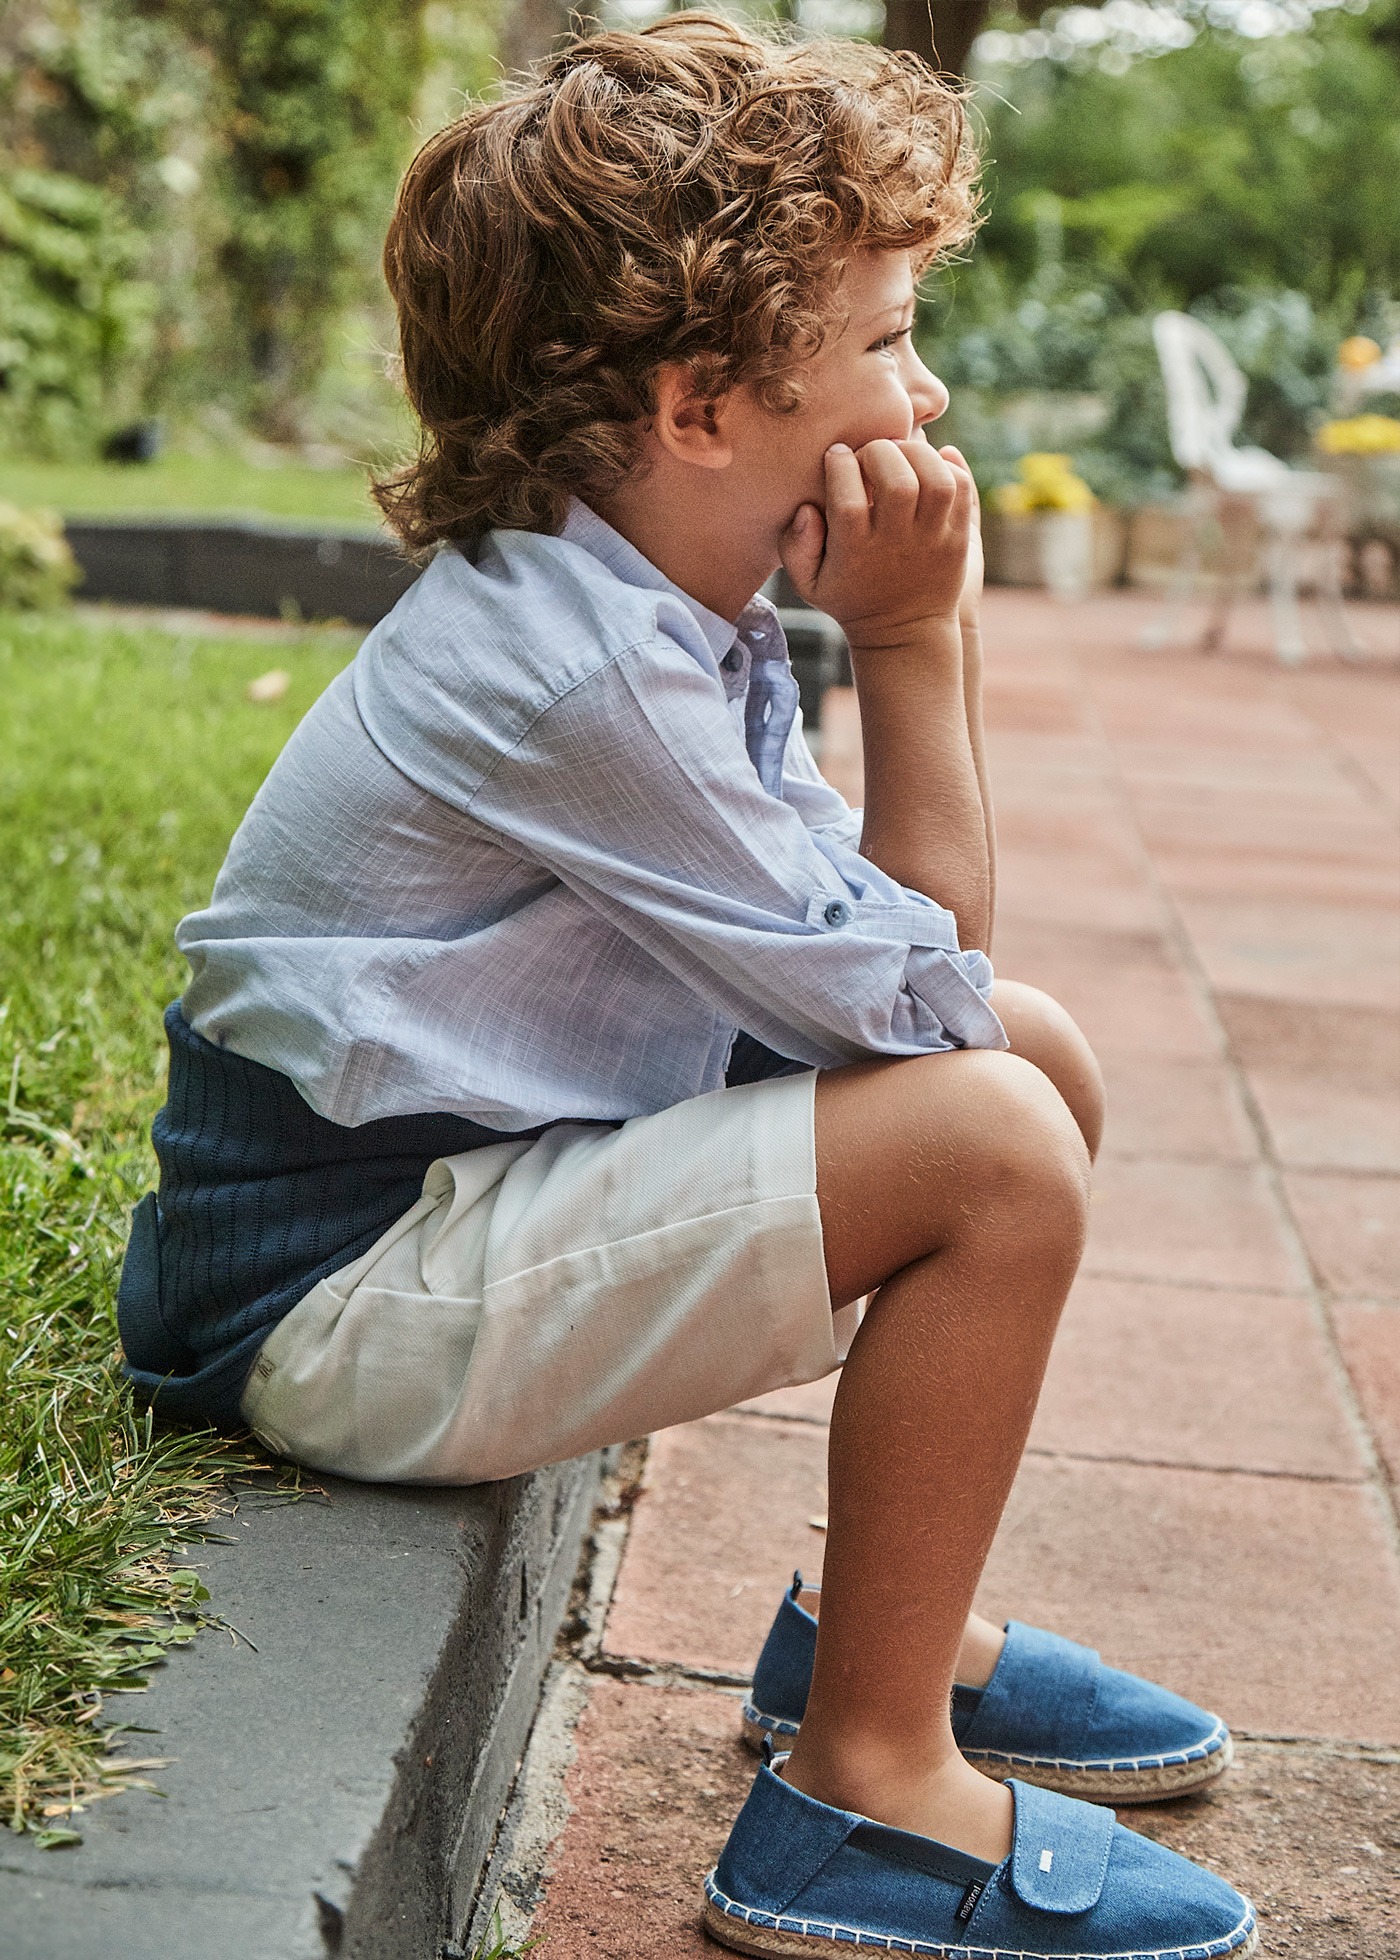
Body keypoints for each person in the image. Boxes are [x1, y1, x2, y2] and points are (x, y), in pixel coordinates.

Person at [117, 18, 1256, 1958]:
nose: (930, 383)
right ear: (700, 404)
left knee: (1030, 1059)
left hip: (439, 1199)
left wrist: (873, 633)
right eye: (889, 336)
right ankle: (864, 1787)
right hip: (333, 1291)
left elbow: (927, 978)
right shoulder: (580, 671)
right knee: (990, 1131)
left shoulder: (643, 603)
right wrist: (914, 642)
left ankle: (887, 1632)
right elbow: (920, 999)